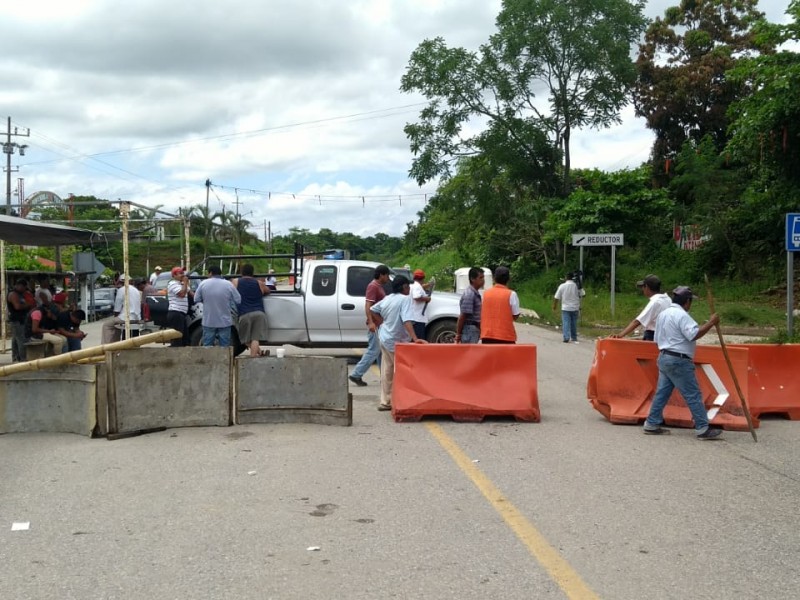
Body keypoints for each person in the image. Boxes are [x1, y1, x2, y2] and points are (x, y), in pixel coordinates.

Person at [643, 286, 722, 439]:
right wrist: (711, 323)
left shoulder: (663, 314)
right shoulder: (682, 315)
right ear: (687, 301)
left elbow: (656, 339)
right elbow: (693, 334)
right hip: (679, 359)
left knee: (662, 393)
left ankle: (651, 423)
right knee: (692, 394)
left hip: (664, 356)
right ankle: (702, 428)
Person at [370, 275, 427, 411]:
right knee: (400, 371)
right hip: (396, 340)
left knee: (387, 370)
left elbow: (373, 309)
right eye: (408, 287)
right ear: (404, 287)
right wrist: (415, 338)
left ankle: (386, 401)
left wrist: (381, 322)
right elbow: (407, 320)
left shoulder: (388, 298)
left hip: (384, 337)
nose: (409, 290)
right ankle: (401, 400)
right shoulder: (404, 300)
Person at [349, 265, 390, 387]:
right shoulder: (373, 286)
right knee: (374, 350)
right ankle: (356, 374)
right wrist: (371, 322)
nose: (388, 278)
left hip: (378, 324)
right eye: (387, 275)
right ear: (381, 275)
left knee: (379, 352)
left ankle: (384, 376)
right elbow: (368, 306)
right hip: (375, 324)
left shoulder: (378, 287)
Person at [611, 274, 672, 341]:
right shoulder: (667, 299)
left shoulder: (655, 302)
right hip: (666, 335)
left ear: (647, 287)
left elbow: (637, 321)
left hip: (653, 335)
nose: (642, 290)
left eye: (643, 287)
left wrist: (620, 335)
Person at [193, 265, 241, 347]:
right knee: (225, 346)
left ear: (210, 273)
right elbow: (238, 300)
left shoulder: (203, 283)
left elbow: (196, 299)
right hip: (224, 321)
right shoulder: (228, 284)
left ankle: (209, 359)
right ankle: (223, 359)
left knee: (207, 345)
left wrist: (206, 300)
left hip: (209, 321)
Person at [234, 263, 270, 357]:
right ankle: (255, 357)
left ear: (242, 272)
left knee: (244, 340)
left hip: (244, 314)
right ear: (252, 273)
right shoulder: (259, 283)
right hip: (259, 313)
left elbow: (229, 291)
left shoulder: (236, 282)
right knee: (255, 339)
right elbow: (268, 290)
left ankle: (255, 356)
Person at [480, 266, 521, 344]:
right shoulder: (511, 294)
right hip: (506, 336)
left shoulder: (485, 294)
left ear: (494, 278)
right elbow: (515, 315)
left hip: (487, 335)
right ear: (509, 279)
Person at [24, 289, 67, 356]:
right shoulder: (37, 313)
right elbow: (34, 329)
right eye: (52, 315)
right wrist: (49, 331)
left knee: (64, 339)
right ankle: (56, 360)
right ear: (48, 311)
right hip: (33, 334)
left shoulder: (46, 314)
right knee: (58, 341)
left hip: (43, 332)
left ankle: (50, 355)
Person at [101, 274, 142, 344]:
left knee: (107, 325)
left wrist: (115, 317)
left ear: (121, 282)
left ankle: (108, 346)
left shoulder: (122, 290)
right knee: (116, 324)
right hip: (136, 317)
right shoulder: (136, 290)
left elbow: (117, 309)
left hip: (125, 317)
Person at [553, 271, 585, 343]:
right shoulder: (577, 285)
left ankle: (566, 337)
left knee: (566, 322)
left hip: (565, 308)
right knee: (574, 323)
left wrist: (554, 306)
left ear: (566, 277)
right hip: (575, 308)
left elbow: (556, 297)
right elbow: (583, 294)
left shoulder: (562, 286)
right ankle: (574, 337)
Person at [7, 279, 35, 362]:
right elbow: (17, 307)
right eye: (24, 288)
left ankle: (16, 357)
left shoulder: (20, 294)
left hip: (21, 319)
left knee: (16, 339)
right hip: (17, 320)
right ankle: (23, 358)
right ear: (20, 286)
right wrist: (28, 305)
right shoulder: (13, 294)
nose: (25, 290)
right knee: (21, 340)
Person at [455, 267, 484, 344]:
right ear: (472, 279)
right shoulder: (470, 294)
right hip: (470, 330)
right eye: (480, 278)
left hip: (474, 329)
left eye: (483, 277)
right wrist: (458, 334)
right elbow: (463, 316)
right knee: (470, 354)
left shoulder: (475, 293)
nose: (483, 280)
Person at [166, 266, 192, 347]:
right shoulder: (172, 284)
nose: (182, 275)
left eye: (183, 273)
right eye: (180, 273)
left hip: (181, 313)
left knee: (184, 337)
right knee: (177, 337)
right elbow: (182, 294)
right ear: (174, 276)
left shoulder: (182, 284)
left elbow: (193, 295)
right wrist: (185, 283)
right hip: (175, 312)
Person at [409, 268, 431, 340]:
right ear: (423, 278)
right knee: (420, 339)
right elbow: (416, 297)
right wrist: (426, 299)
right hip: (418, 318)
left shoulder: (414, 285)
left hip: (414, 317)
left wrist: (427, 285)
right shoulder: (417, 286)